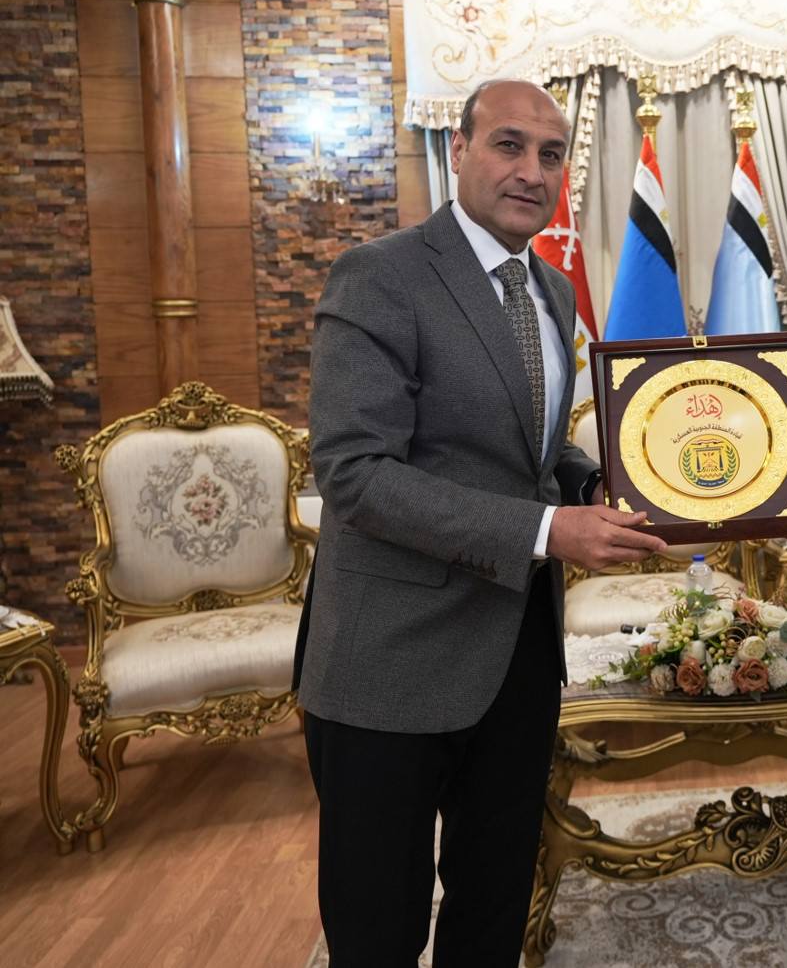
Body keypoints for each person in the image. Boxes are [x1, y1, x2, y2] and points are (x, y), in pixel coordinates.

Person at [296, 79, 667, 966]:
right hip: (390, 656)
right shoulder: (381, 275)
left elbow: (530, 448)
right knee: (378, 926)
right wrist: (547, 533)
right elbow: (355, 473)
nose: (532, 171)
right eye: (508, 145)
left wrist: (593, 483)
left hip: (517, 653)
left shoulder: (554, 290)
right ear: (457, 150)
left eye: (551, 154)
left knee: (493, 905)